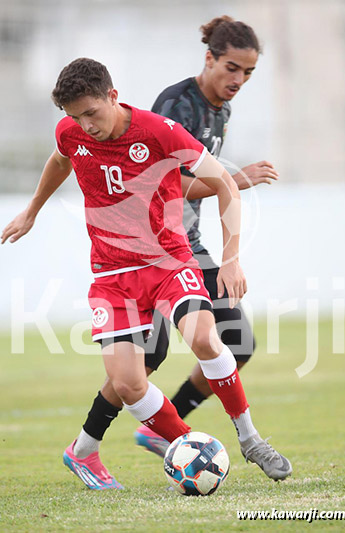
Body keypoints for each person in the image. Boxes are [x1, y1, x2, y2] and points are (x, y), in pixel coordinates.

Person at [2, 56, 291, 491]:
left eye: (91, 113)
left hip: (170, 263)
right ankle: (188, 446)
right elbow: (60, 160)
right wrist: (32, 211)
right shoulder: (71, 131)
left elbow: (224, 184)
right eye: (75, 117)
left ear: (113, 97)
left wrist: (231, 259)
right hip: (112, 276)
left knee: (204, 338)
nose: (85, 125)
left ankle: (250, 439)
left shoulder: (159, 131)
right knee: (129, 382)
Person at [68, 15, 285, 480]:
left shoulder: (220, 110)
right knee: (140, 367)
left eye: (248, 73)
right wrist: (238, 180)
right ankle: (100, 443)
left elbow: (202, 181)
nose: (239, 81)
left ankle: (174, 432)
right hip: (155, 249)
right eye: (232, 68)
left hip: (182, 248)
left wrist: (229, 236)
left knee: (226, 341)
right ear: (209, 59)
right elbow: (165, 183)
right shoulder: (175, 105)